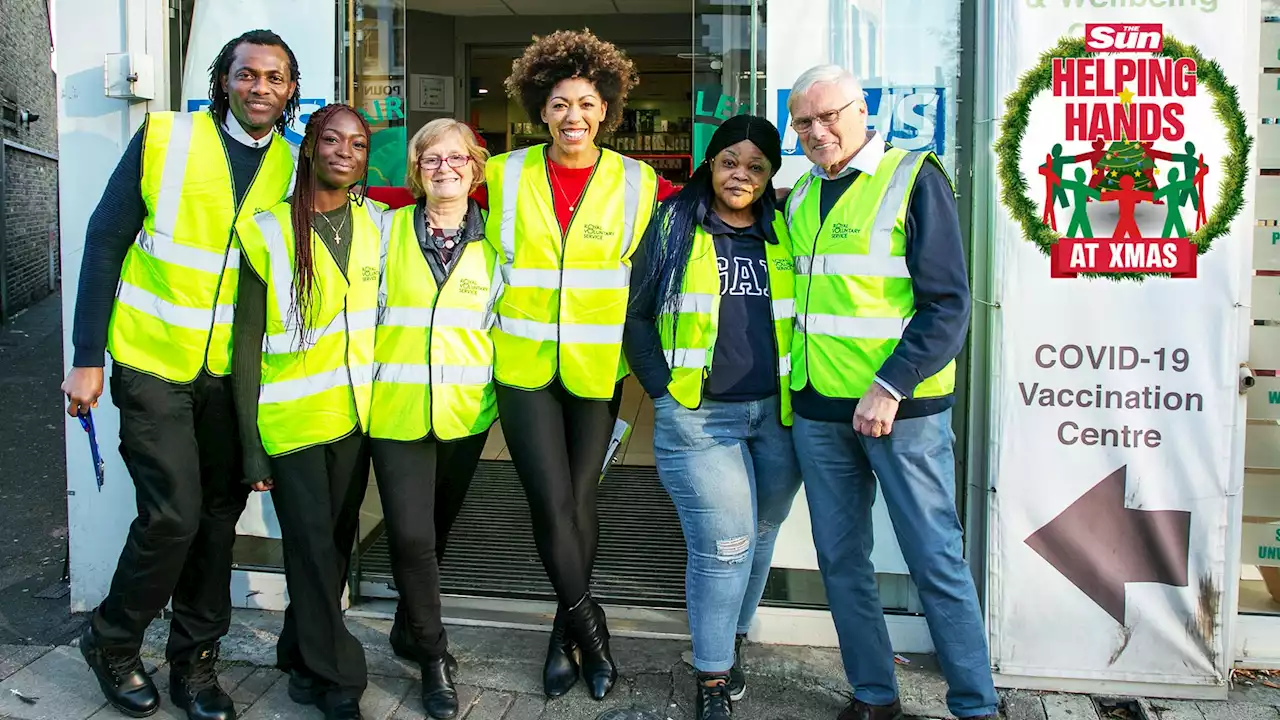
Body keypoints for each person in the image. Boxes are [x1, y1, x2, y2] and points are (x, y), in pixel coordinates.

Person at [60, 29, 299, 720]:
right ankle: (112, 639)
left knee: (218, 522)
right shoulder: (164, 139)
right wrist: (85, 359)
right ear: (224, 80)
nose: (260, 87)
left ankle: (196, 665)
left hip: (230, 378)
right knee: (173, 516)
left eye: (275, 77)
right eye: (247, 74)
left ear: (290, 90)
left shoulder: (290, 168)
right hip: (151, 362)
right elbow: (105, 239)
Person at [782, 64, 998, 720]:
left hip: (900, 410)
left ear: (862, 110)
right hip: (819, 407)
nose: (818, 132)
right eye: (803, 123)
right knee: (841, 558)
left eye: (829, 116)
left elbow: (948, 305)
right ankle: (874, 696)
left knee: (934, 557)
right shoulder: (796, 196)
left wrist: (888, 385)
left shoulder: (912, 178)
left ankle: (976, 706)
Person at [485, 28, 680, 701]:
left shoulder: (639, 181)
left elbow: (660, 267)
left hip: (598, 369)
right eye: (561, 103)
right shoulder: (501, 175)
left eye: (588, 104)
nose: (574, 117)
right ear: (539, 108)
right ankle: (590, 633)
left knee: (580, 498)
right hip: (524, 367)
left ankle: (561, 633)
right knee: (549, 501)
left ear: (608, 111)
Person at [624, 115, 802, 720]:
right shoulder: (675, 223)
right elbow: (638, 316)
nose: (742, 176)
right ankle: (712, 677)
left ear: (771, 172)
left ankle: (733, 639)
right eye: (731, 161)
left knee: (761, 535)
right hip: (700, 420)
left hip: (776, 417)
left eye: (756, 166)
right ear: (711, 163)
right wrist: (664, 390)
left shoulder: (785, 229)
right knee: (726, 544)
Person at [232, 103, 385, 720]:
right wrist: (250, 444)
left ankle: (297, 652)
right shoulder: (267, 230)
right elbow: (244, 346)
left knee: (335, 546)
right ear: (310, 147)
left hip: (355, 418)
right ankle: (339, 676)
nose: (345, 151)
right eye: (331, 139)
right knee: (313, 549)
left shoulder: (379, 224)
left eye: (358, 143)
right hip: (291, 420)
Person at [368, 118, 500, 719]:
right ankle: (433, 658)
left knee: (436, 533)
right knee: (412, 536)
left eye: (457, 159)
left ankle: (406, 625)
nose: (445, 169)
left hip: (465, 413)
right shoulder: (383, 229)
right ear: (416, 170)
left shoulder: (502, 239)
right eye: (431, 160)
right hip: (395, 411)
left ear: (476, 168)